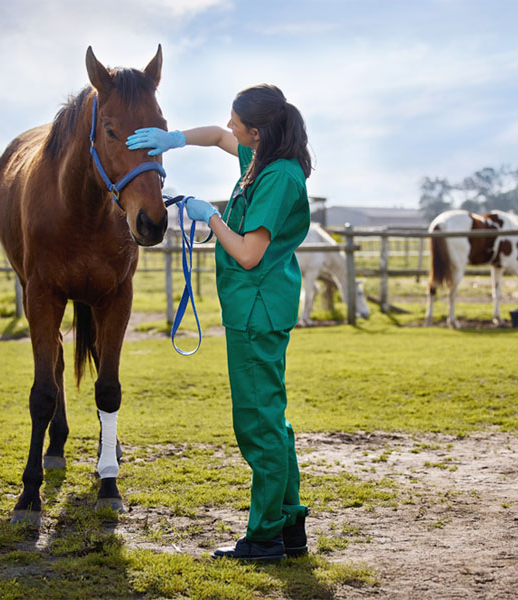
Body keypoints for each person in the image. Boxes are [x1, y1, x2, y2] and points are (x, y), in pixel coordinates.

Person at [126, 84, 311, 562]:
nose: (229, 128)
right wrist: (174, 139)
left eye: (236, 122)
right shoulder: (263, 158)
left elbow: (249, 254)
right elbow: (213, 136)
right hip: (258, 307)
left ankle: (264, 536)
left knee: (258, 423)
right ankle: (289, 525)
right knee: (275, 420)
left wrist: (212, 215)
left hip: (257, 307)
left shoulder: (276, 177)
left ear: (257, 129)